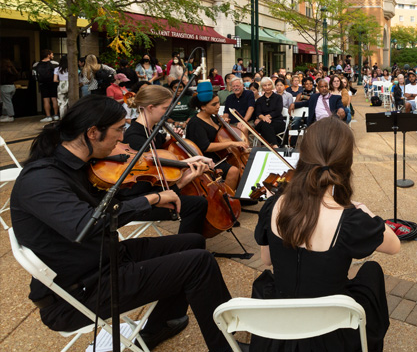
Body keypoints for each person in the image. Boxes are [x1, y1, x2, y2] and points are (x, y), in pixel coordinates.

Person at [9, 95, 234, 351]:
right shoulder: (41, 180)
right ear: (93, 132)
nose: (121, 139)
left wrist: (173, 180)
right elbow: (87, 225)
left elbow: (116, 200)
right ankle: (226, 347)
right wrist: (150, 199)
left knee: (193, 241)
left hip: (103, 260)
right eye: (118, 130)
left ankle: (161, 323)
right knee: (199, 263)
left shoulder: (78, 166)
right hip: (80, 292)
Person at [252, 117, 400, 351]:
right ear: (345, 164)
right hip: (331, 333)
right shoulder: (351, 221)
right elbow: (394, 245)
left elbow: (267, 259)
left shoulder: (273, 205)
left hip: (280, 326)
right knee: (372, 271)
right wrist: (362, 209)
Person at [123, 85, 212, 236]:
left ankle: (191, 245)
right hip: (142, 199)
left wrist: (170, 139)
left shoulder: (151, 131)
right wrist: (190, 162)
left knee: (196, 199)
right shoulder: (135, 138)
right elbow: (156, 168)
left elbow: (162, 145)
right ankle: (186, 248)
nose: (168, 112)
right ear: (150, 107)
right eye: (165, 108)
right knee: (197, 204)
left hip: (157, 190)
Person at [186, 89, 248, 191]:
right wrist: (232, 143)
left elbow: (220, 137)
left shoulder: (214, 118)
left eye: (218, 102)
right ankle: (227, 200)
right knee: (233, 171)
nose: (218, 106)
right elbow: (206, 147)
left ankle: (239, 197)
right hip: (205, 159)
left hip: (220, 156)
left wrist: (224, 125)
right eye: (214, 104)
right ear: (203, 107)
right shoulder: (195, 123)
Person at [253, 77, 286, 146]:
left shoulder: (278, 97)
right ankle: (275, 145)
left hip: (277, 122)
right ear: (262, 87)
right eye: (265, 85)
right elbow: (258, 113)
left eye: (269, 85)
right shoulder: (259, 100)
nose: (267, 87)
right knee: (265, 125)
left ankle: (272, 145)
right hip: (263, 122)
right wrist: (264, 118)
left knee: (265, 126)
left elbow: (278, 111)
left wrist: (266, 117)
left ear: (272, 85)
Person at [34, 49, 59, 122]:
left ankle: (48, 116)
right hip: (53, 83)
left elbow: (34, 75)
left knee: (46, 99)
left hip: (43, 83)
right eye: (52, 54)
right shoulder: (55, 63)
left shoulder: (36, 64)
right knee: (54, 99)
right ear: (48, 55)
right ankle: (56, 115)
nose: (53, 55)